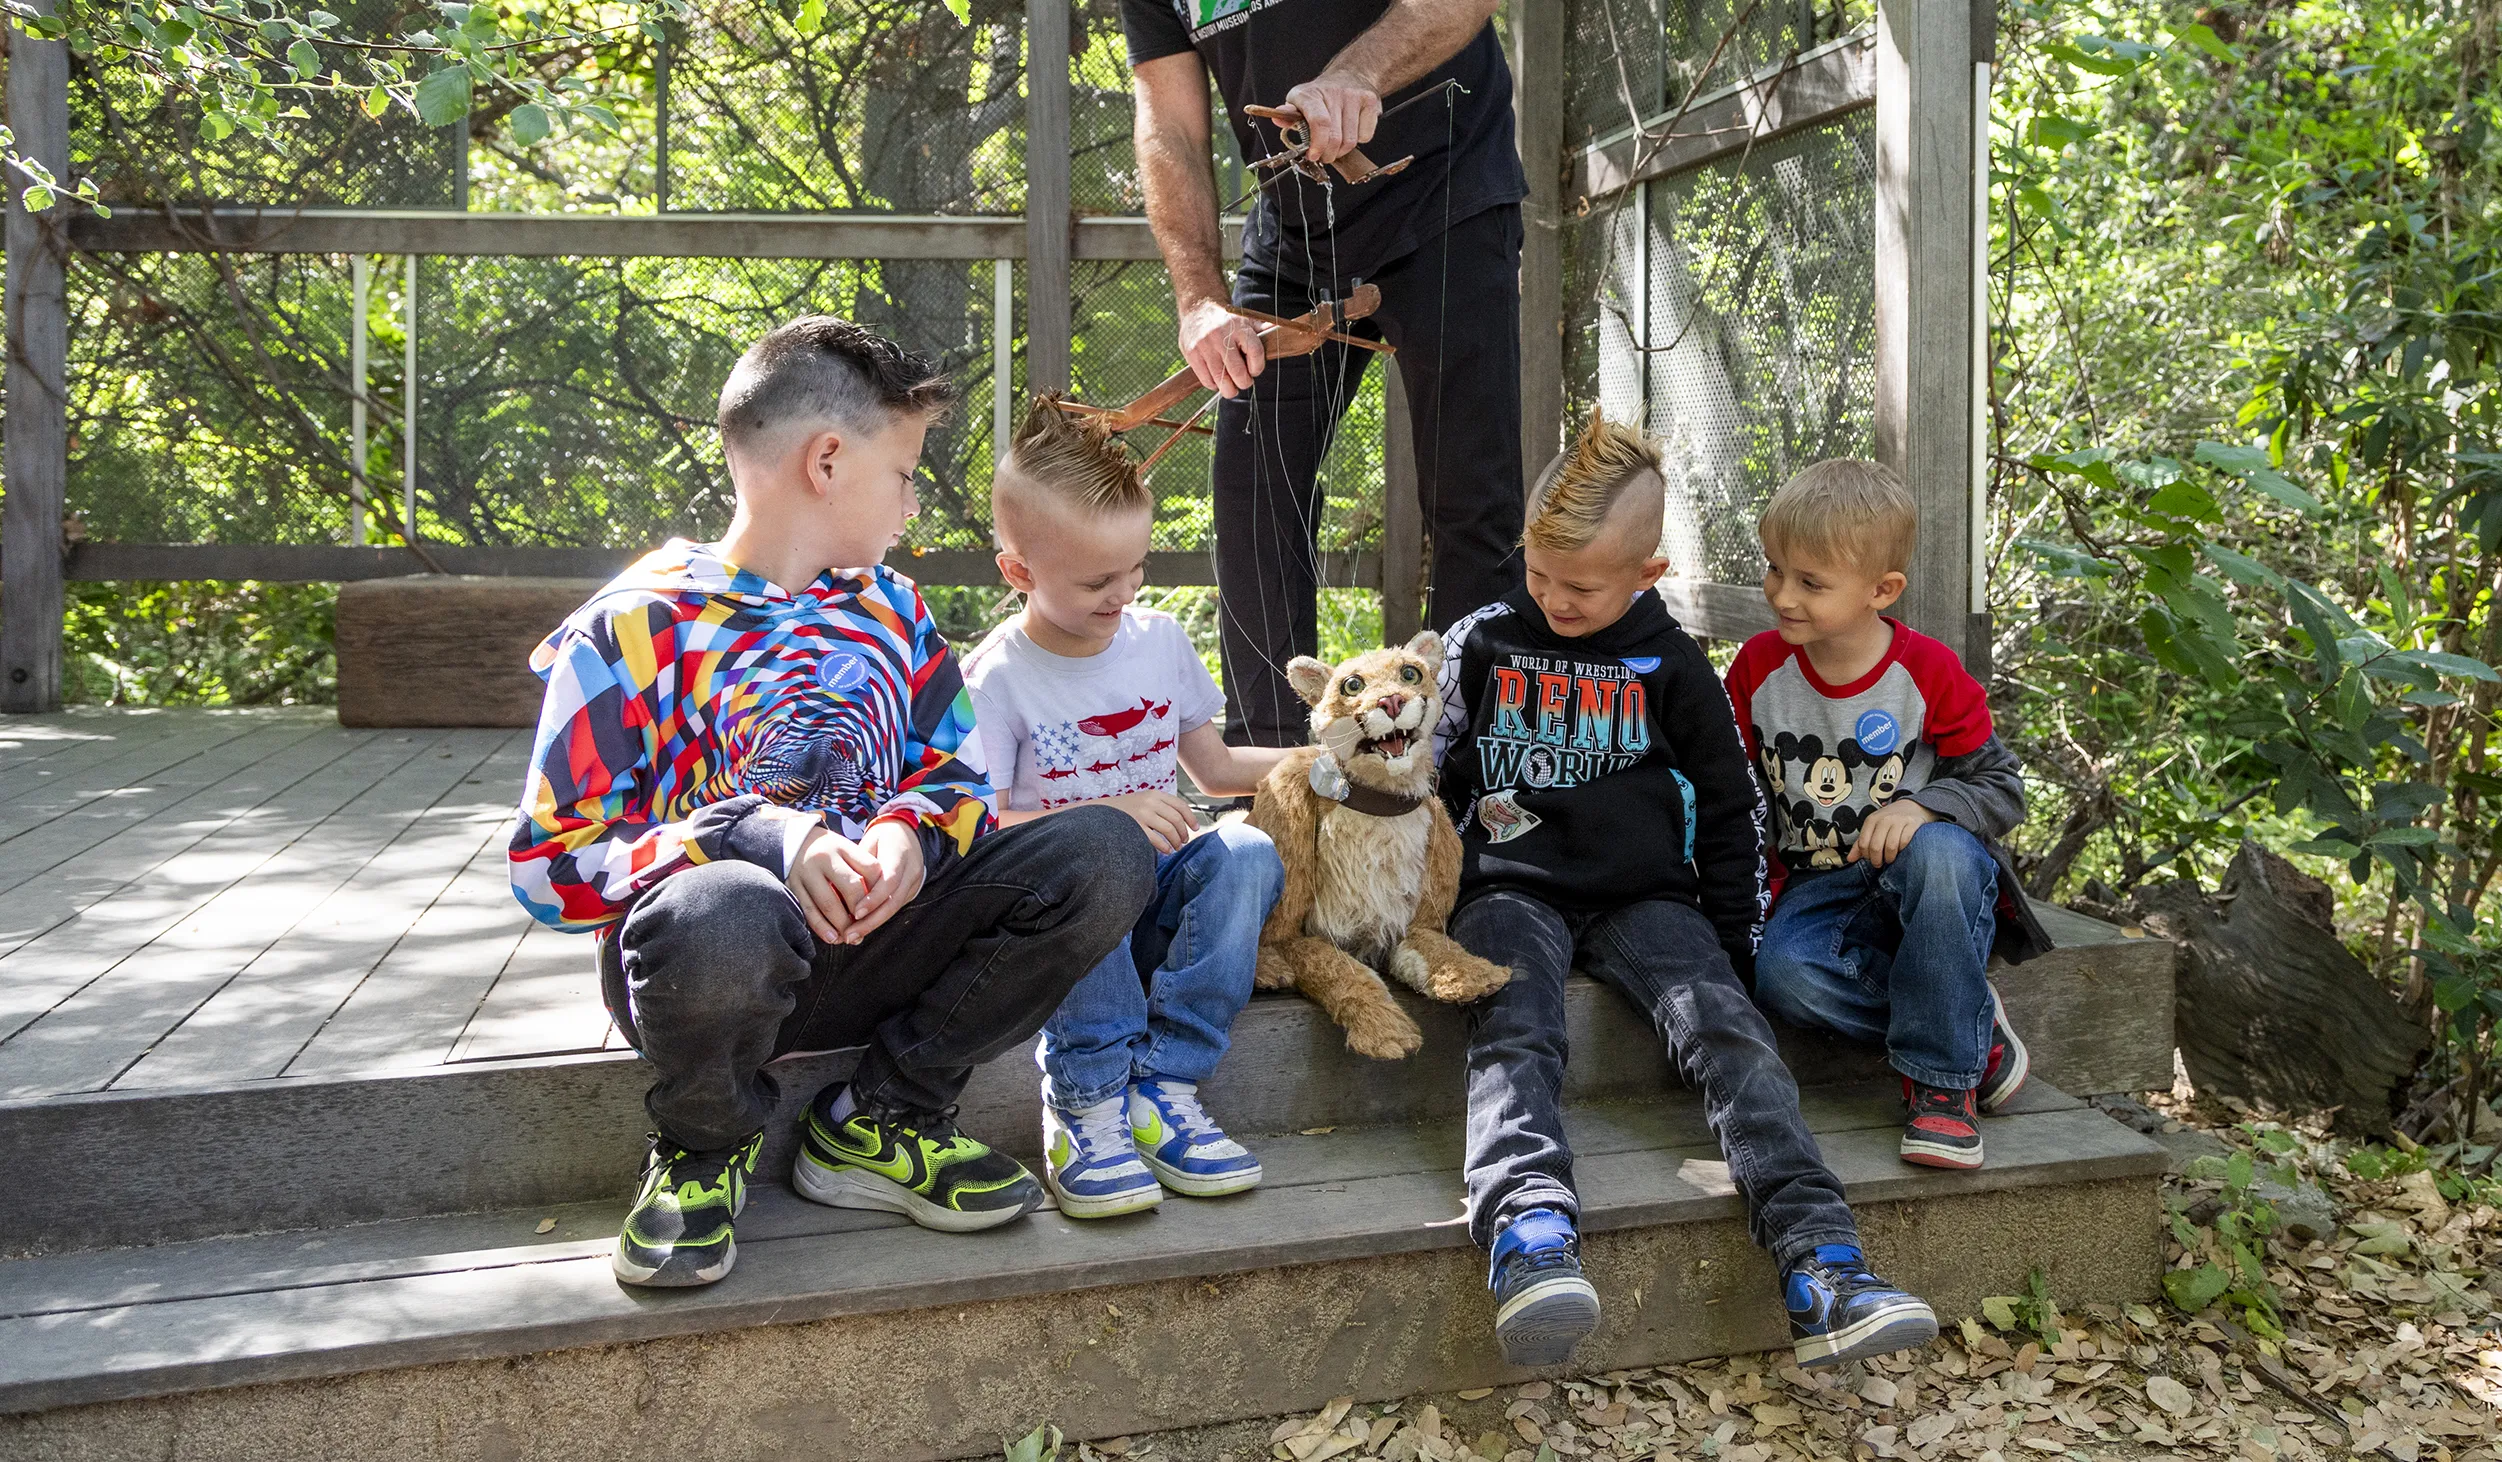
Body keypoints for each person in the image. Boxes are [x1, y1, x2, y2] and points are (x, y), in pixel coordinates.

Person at [510, 317, 1155, 1289]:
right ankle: (702, 1146)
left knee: (1105, 850)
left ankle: (883, 1118)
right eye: (901, 473)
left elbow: (957, 787)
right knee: (730, 904)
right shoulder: (631, 625)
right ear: (825, 460)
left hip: (880, 943)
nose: (909, 504)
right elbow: (547, 870)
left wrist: (907, 832)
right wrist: (747, 830)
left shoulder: (890, 612)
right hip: (709, 963)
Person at [1432, 410, 1938, 1370]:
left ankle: (1822, 1264)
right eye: (1538, 573)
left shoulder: (1673, 664)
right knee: (1515, 1022)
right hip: (1509, 888)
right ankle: (1528, 1236)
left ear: (1647, 576)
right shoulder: (1483, 641)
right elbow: (1423, 768)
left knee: (1731, 1037)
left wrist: (1734, 947)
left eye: (1580, 586)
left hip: (1646, 901)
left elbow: (1731, 802)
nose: (1552, 598)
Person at [1122, 0, 1530, 747]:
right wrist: (1200, 301)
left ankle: (1457, 772)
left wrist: (1357, 73)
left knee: (1472, 497)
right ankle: (1277, 772)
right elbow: (1170, 122)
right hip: (1295, 229)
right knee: (1251, 484)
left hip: (1448, 189)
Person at [961, 397, 1289, 1219]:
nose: (1125, 592)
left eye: (1136, 568)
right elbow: (977, 828)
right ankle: (1086, 1097)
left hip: (1161, 885)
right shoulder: (997, 678)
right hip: (1062, 921)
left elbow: (1212, 771)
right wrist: (1107, 812)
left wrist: (1324, 759)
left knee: (1247, 852)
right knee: (1096, 860)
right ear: (1018, 571)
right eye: (1098, 580)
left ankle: (1164, 1083)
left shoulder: (1159, 642)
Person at [1727, 459, 2050, 1171]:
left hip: (1926, 882)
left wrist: (1924, 805)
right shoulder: (1755, 670)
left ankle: (1942, 1089)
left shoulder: (1927, 672)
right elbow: (1740, 790)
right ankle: (1967, 1021)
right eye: (1777, 569)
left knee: (1939, 851)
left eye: (1812, 582)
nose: (1783, 594)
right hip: (1820, 892)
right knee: (1784, 978)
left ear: (1883, 591)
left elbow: (2002, 787)